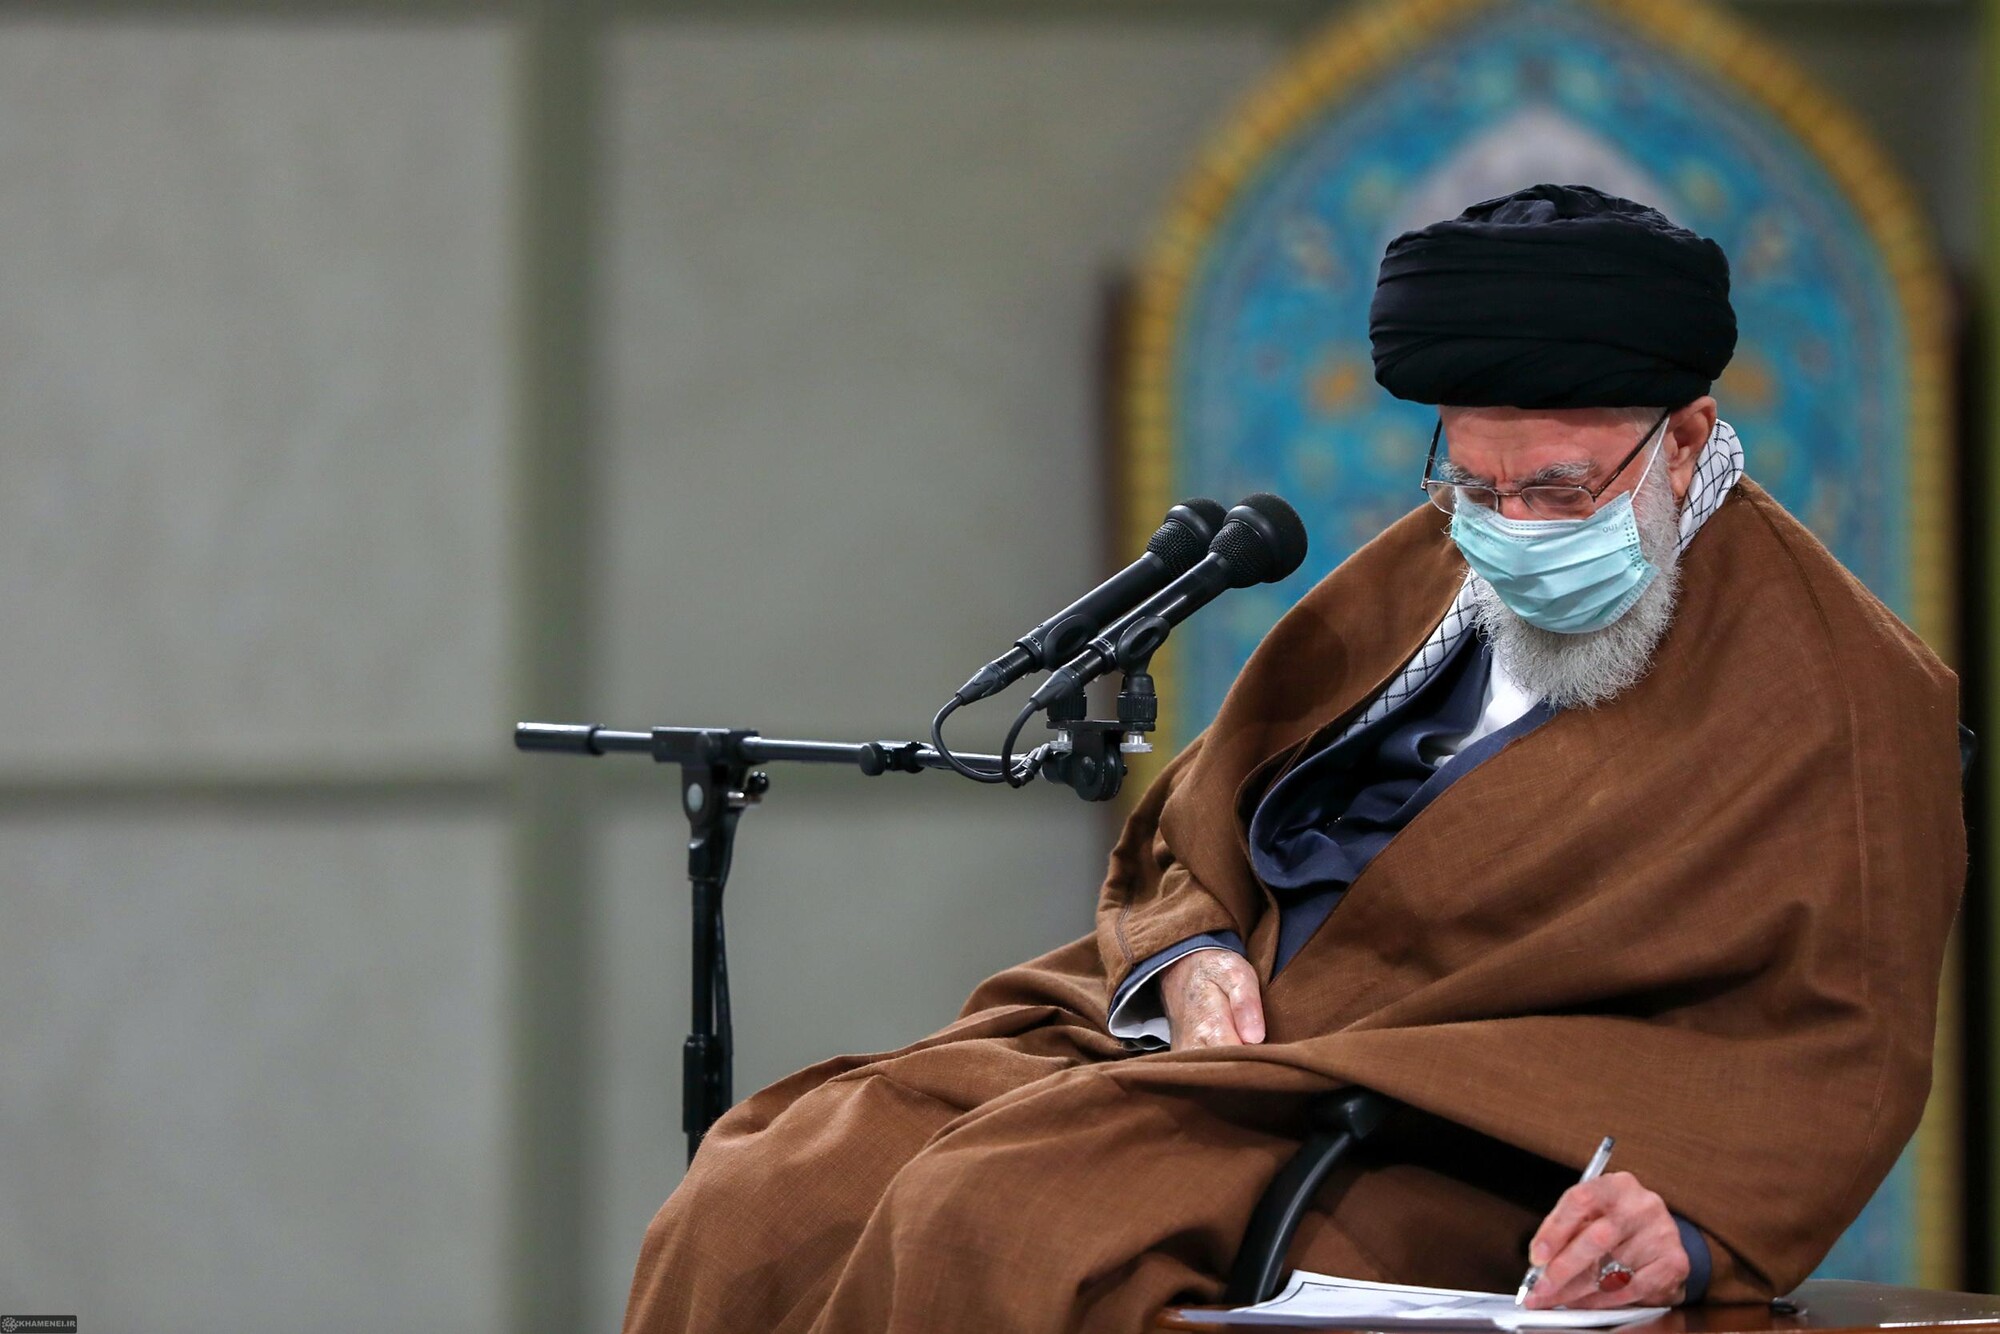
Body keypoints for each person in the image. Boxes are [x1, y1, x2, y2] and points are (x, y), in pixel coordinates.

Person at [622, 184, 1964, 1334]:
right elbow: (1200, 809)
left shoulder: (1842, 688)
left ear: (1685, 437)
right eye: (1474, 482)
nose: (1509, 528)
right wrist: (1190, 952)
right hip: (1216, 1051)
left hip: (1448, 1118)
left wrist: (1691, 1229)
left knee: (996, 1217)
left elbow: (1843, 1049)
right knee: (762, 1191)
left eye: (1559, 489)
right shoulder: (1440, 559)